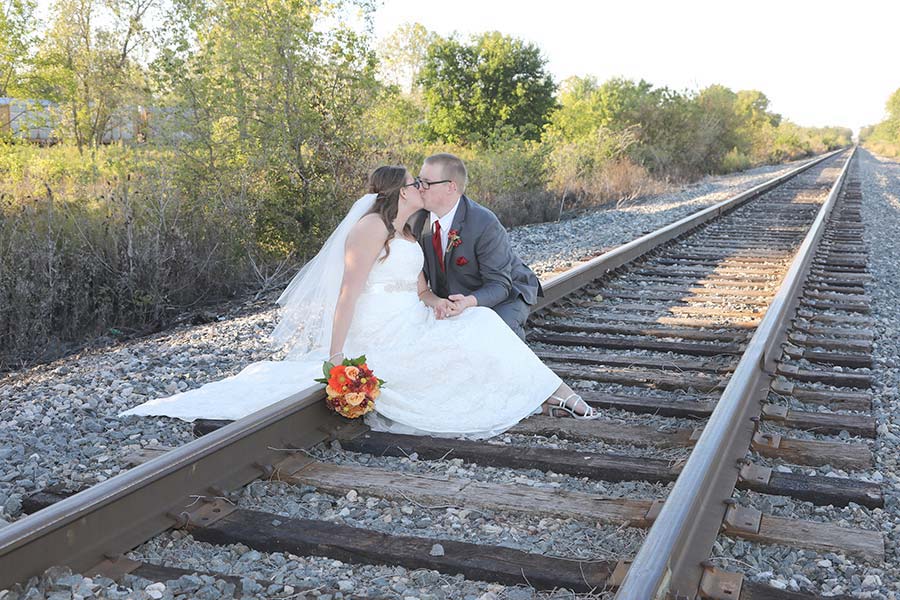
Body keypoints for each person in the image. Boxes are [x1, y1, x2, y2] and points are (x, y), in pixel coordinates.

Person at [121, 166, 598, 437]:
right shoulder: (369, 229)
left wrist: (437, 301)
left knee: (483, 324)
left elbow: (419, 286)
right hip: (377, 327)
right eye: (414, 183)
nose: (421, 188)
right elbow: (347, 295)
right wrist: (335, 359)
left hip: (412, 315)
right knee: (470, 340)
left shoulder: (409, 231)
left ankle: (557, 394)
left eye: (425, 183)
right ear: (397, 191)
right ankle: (553, 395)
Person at [414, 153, 541, 340]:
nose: (420, 188)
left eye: (426, 182)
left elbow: (499, 284)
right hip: (452, 297)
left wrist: (468, 302)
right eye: (418, 181)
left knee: (497, 335)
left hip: (505, 292)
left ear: (451, 187)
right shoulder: (417, 219)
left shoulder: (484, 222)